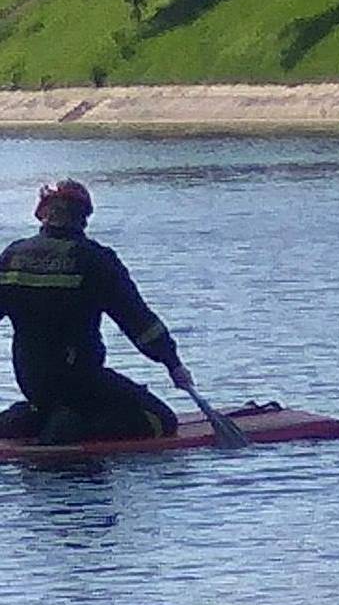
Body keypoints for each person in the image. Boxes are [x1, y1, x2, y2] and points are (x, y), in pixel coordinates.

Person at [0, 181, 200, 445]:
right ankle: (68, 428)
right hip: (82, 380)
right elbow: (139, 322)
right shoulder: (95, 260)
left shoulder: (12, 256)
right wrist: (173, 364)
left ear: (42, 213)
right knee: (161, 420)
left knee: (51, 403)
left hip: (32, 380)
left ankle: (28, 420)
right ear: (84, 217)